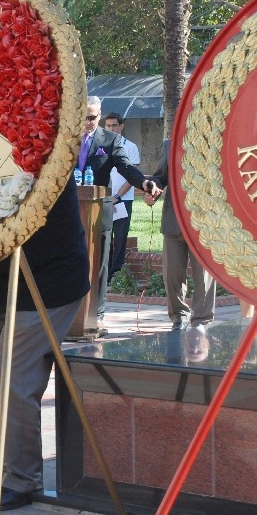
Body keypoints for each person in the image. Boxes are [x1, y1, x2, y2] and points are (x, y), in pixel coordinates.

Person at [0, 175, 155, 512]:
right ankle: (9, 466)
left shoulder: (34, 153)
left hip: (46, 283)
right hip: (12, 285)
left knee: (12, 371)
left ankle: (22, 479)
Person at [77, 96, 152, 336]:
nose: (88, 122)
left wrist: (145, 183)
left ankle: (96, 317)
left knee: (99, 266)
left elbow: (126, 168)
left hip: (98, 211)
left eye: (92, 118)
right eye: (84, 117)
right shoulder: (66, 137)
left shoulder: (110, 140)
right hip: (69, 211)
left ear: (99, 116)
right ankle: (67, 315)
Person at [143, 138, 216, 342]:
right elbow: (160, 177)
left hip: (203, 221)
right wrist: (153, 190)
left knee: (203, 276)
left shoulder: (213, 141)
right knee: (172, 273)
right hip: (174, 219)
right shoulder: (169, 145)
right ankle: (179, 318)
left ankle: (201, 320)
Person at [104, 113, 139, 283]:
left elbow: (132, 176)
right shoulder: (101, 145)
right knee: (104, 237)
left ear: (121, 126)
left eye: (114, 125)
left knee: (120, 238)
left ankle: (116, 274)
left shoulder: (130, 147)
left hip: (123, 199)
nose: (111, 129)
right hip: (104, 199)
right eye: (108, 126)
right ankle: (104, 273)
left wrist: (117, 196)